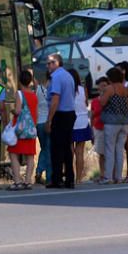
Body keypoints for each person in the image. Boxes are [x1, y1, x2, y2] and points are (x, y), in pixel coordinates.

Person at [44, 53, 76, 189]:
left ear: (56, 63)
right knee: (67, 148)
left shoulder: (56, 77)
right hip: (70, 114)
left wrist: (49, 120)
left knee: (56, 148)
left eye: (49, 63)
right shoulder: (68, 76)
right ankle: (70, 178)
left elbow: (55, 99)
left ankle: (57, 178)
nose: (47, 66)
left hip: (60, 115)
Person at [7, 69, 38, 190]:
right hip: (30, 130)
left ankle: (17, 181)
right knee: (30, 156)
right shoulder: (34, 95)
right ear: (30, 81)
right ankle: (28, 181)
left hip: (19, 131)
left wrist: (12, 110)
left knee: (13, 153)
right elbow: (36, 113)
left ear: (19, 81)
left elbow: (19, 111)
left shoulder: (19, 94)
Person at [99, 67, 128, 184]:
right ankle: (119, 176)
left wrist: (102, 92)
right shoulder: (126, 89)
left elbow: (102, 102)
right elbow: (127, 104)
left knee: (109, 149)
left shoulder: (109, 88)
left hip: (111, 122)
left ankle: (108, 177)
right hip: (124, 122)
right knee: (119, 150)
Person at [70, 69, 92, 183]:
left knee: (69, 152)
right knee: (80, 152)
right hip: (82, 121)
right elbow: (86, 103)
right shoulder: (83, 90)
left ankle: (69, 176)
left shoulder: (67, 90)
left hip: (70, 122)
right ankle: (78, 178)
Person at [34, 72, 51, 184]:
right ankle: (45, 173)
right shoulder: (53, 91)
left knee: (44, 148)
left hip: (39, 123)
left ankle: (39, 172)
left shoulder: (38, 89)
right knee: (49, 149)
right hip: (49, 122)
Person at [90, 77, 107, 180]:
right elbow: (92, 116)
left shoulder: (110, 99)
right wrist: (91, 130)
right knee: (101, 153)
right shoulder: (95, 101)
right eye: (101, 86)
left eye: (105, 85)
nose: (103, 88)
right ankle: (102, 173)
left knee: (109, 152)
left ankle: (110, 173)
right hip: (98, 128)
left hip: (108, 128)